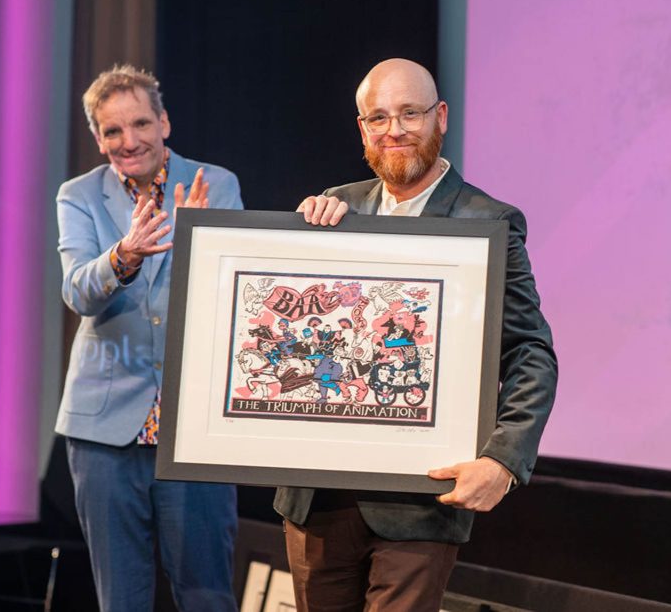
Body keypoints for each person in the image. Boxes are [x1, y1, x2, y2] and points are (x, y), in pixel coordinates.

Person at [276, 58, 557, 611]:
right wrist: (294, 247)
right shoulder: (335, 209)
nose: (394, 130)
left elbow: (531, 352)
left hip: (421, 498)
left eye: (411, 113)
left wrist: (503, 461)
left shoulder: (488, 222)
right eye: (378, 117)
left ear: (441, 117)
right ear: (362, 128)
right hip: (319, 496)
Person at [56, 64, 242, 611]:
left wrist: (197, 238)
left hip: (192, 429)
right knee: (122, 600)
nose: (129, 141)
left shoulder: (216, 183)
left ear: (164, 122)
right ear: (97, 138)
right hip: (104, 433)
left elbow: (232, 295)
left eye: (140, 124)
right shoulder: (78, 196)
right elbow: (79, 292)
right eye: (112, 131)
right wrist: (124, 256)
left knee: (207, 595)